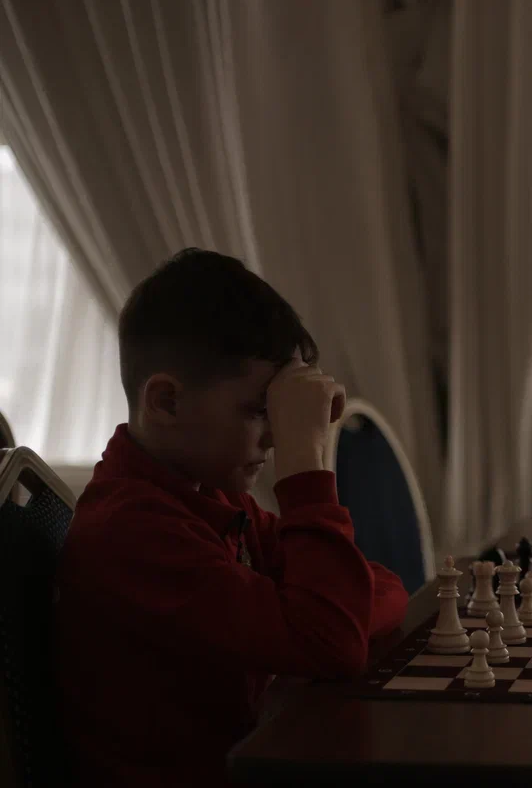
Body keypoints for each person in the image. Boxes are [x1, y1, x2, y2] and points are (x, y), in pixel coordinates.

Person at [55, 249, 410, 787]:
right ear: (166, 402)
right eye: (259, 411)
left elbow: (379, 590)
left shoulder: (209, 498)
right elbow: (335, 638)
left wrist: (331, 622)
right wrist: (306, 461)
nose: (275, 436)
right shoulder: (132, 534)